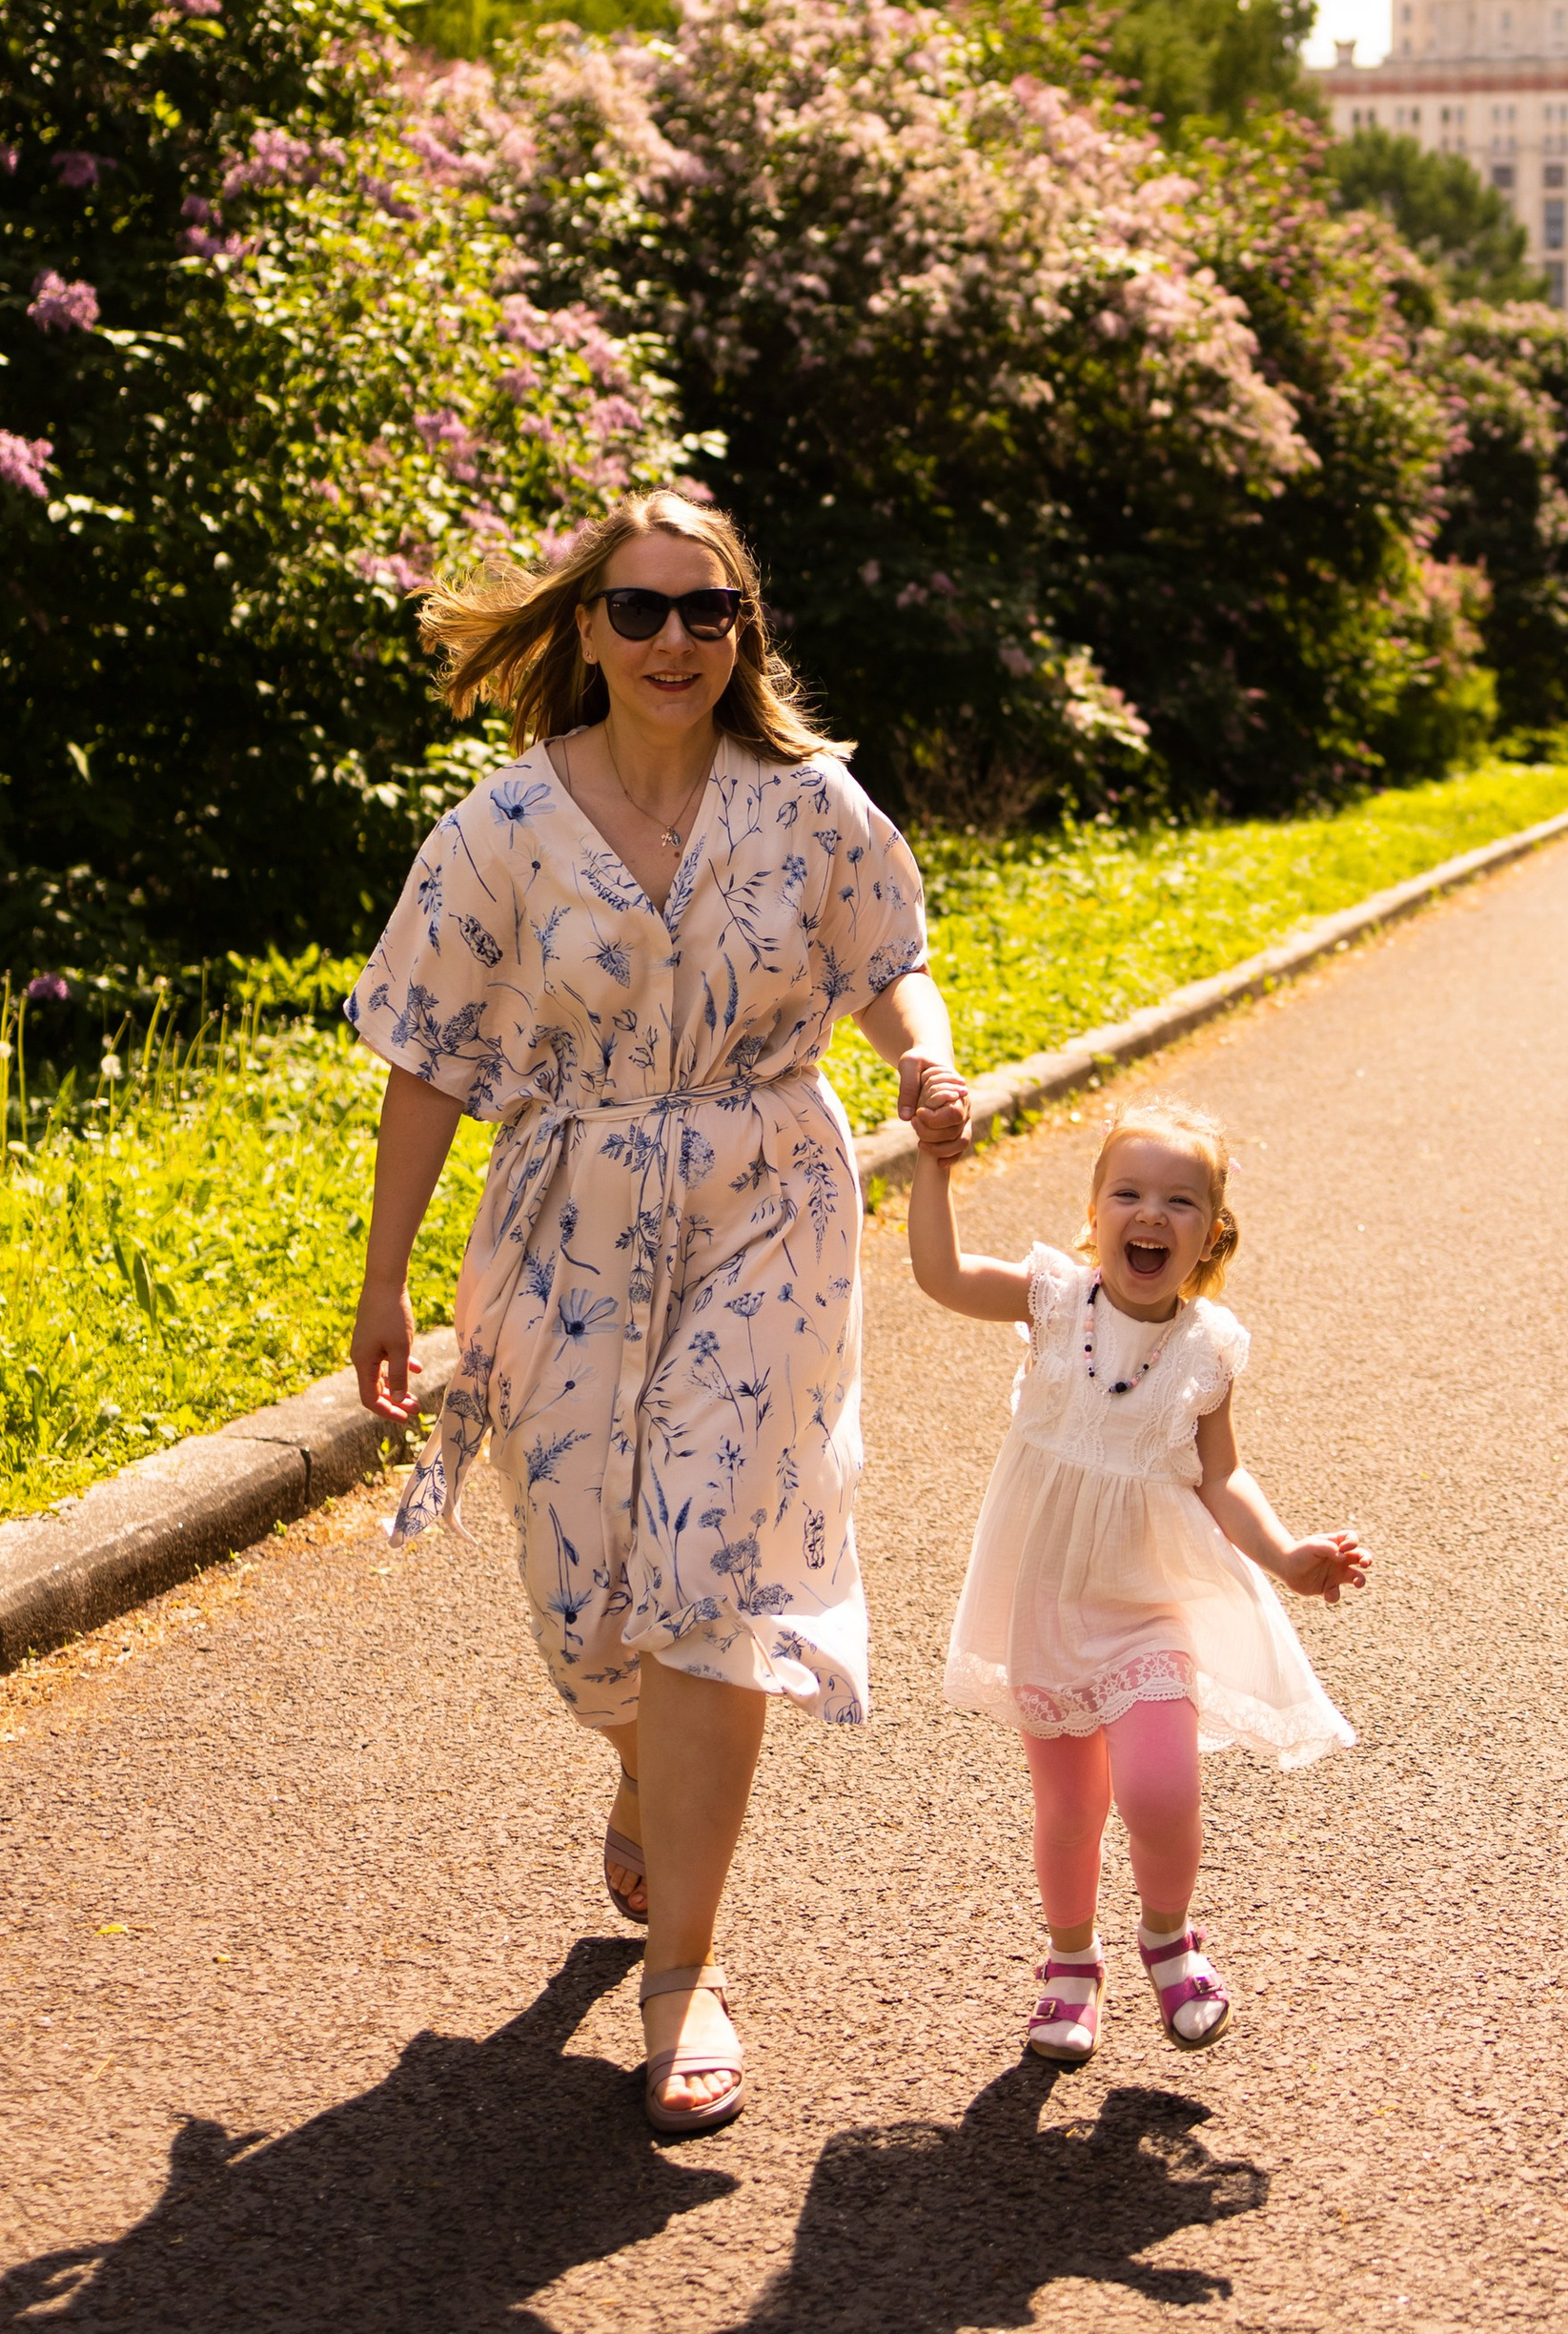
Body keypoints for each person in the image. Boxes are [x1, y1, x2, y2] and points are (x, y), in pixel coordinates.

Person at [346, 491, 969, 2138]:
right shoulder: (500, 826)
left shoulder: (808, 803)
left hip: (770, 1192)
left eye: (709, 614)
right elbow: (425, 1048)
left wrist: (922, 1056)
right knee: (587, 1586)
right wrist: (386, 1273)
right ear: (588, 630)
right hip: (566, 1214)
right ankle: (638, 1753)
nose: (676, 643)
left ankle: (682, 1970)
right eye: (640, 613)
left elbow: (889, 945)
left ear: (742, 633)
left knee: (718, 1567)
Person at [905, 1100, 1369, 2063]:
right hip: (1047, 1600)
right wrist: (935, 1169)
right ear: (1093, 1212)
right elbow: (941, 1276)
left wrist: (1285, 1556)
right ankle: (1071, 1962)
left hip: (1150, 1601)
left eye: (1178, 1201)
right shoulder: (1052, 1301)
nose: (1149, 1214)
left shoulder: (1207, 1349)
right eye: (1128, 1193)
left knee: (1158, 1787)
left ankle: (1168, 1935)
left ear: (1210, 1235)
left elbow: (1221, 1474)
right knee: (1069, 1808)